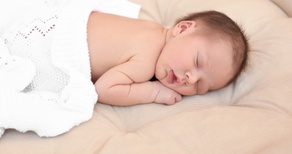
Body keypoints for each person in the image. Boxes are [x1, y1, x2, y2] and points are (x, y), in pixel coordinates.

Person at [87, 10, 249, 106]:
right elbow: (104, 90)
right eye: (197, 61)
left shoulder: (150, 27)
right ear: (183, 28)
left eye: (200, 86)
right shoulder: (145, 61)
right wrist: (153, 93)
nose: (190, 79)